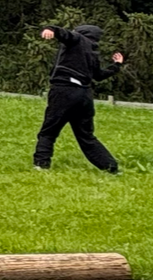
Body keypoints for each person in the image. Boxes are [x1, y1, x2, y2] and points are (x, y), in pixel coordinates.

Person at [33, 24, 124, 173]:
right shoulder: (92, 52)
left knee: (49, 131)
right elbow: (99, 75)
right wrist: (116, 65)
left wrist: (51, 29)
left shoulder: (78, 39)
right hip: (84, 95)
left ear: (81, 32)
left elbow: (66, 34)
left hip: (64, 90)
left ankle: (41, 164)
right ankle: (111, 168)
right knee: (86, 136)